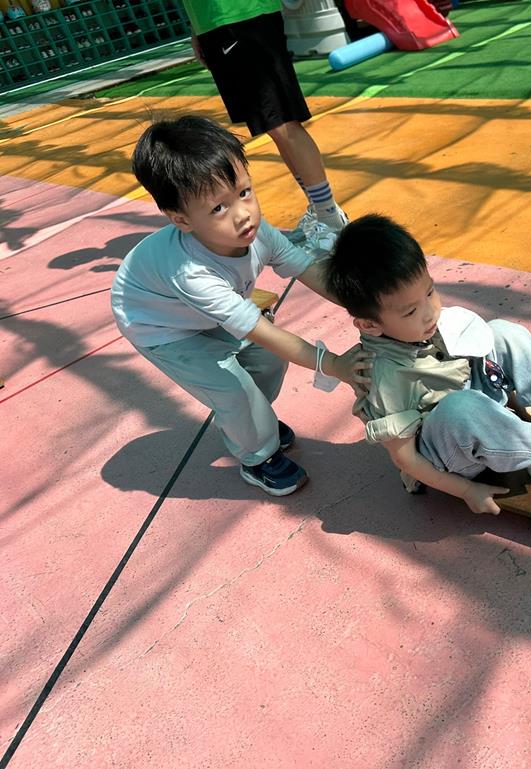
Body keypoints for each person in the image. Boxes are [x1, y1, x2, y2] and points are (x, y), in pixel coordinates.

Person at [111, 115, 372, 497]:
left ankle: (251, 422)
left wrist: (364, 305)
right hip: (158, 325)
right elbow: (260, 330)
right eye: (218, 208)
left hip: (195, 311)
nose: (242, 213)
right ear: (181, 219)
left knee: (268, 363)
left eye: (244, 192)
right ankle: (257, 458)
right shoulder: (192, 274)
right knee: (232, 391)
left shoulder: (257, 231)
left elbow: (306, 268)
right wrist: (333, 365)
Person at [321, 214, 531, 515]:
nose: (430, 312)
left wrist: (523, 416)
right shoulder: (384, 377)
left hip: (472, 410)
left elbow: (481, 367)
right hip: (446, 457)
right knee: (461, 406)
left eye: (430, 292)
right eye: (411, 311)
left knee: (503, 333)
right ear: (370, 325)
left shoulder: (419, 328)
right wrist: (467, 491)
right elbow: (406, 460)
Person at [181, 0, 346, 251]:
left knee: (282, 122)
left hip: (241, 17)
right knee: (274, 126)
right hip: (215, 22)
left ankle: (330, 217)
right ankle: (320, 210)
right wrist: (197, 29)